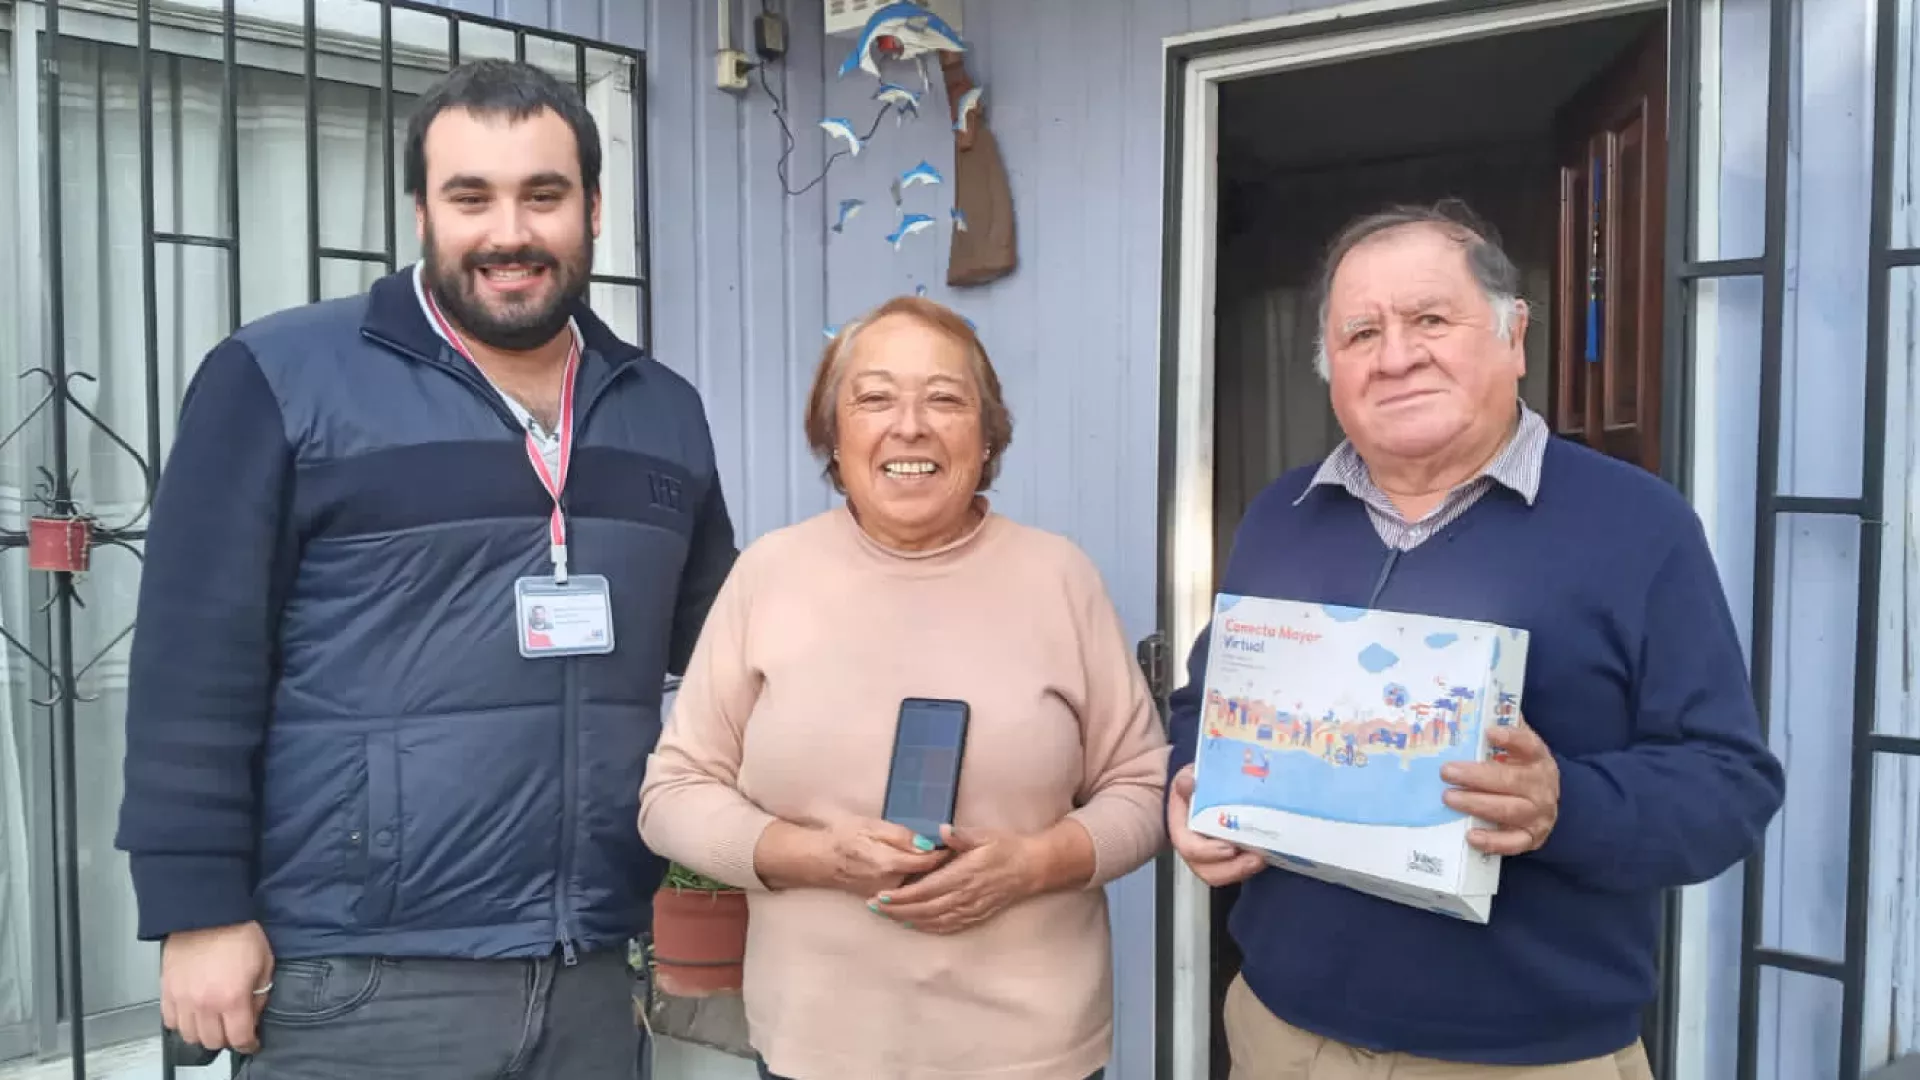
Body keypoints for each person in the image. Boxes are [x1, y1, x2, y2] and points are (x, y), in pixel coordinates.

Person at [114, 59, 737, 1078]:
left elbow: (726, 650)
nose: (509, 233)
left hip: (590, 973)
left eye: (544, 195)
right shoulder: (279, 379)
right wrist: (197, 909)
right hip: (359, 978)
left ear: (592, 210)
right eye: (470, 197)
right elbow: (193, 663)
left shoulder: (660, 409)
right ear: (420, 213)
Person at [1165, 200, 1785, 1078]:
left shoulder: (1639, 525)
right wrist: (1189, 790)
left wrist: (1564, 804)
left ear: (1513, 334)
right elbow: (1204, 707)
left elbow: (1728, 785)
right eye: (1361, 333)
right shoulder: (1283, 515)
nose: (1396, 356)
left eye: (1429, 319)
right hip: (1280, 1035)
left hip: (1525, 1059)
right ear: (1330, 369)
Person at [637, 295, 1169, 1080]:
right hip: (818, 1046)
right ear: (833, 433)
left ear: (987, 437)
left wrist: (1035, 863)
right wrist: (815, 856)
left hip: (1032, 1050)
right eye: (875, 398)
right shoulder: (770, 576)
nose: (910, 426)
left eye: (945, 399)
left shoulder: (1059, 576)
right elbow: (673, 793)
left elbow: (1145, 788)